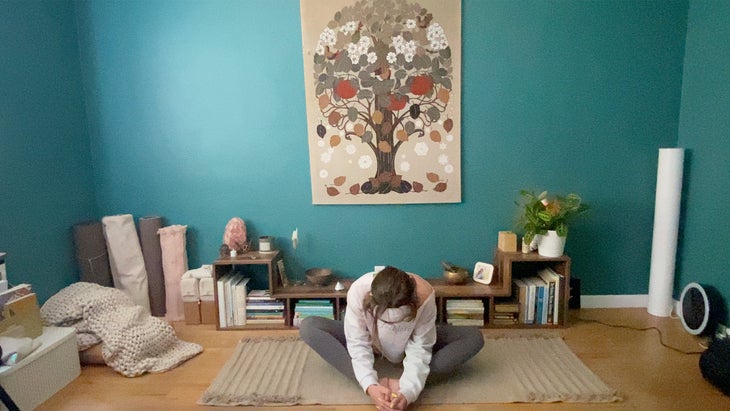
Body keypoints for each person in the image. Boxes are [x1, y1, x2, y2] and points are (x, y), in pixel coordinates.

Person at [299, 266, 484, 410]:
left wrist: (408, 390)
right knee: (310, 327)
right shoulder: (358, 291)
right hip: (372, 342)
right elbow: (358, 343)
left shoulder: (424, 295)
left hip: (409, 345)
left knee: (474, 338)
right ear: (372, 299)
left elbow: (421, 347)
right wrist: (370, 385)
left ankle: (406, 382)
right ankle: (374, 385)